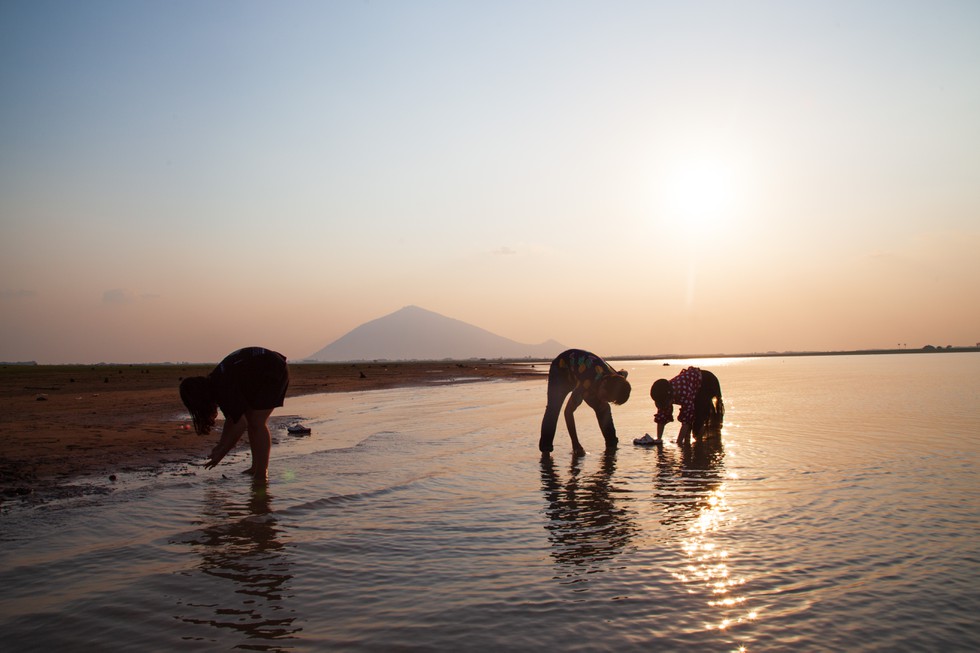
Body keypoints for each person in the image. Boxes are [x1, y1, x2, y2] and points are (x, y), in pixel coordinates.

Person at [179, 346, 289, 479]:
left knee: (256, 422)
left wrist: (222, 452)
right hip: (264, 369)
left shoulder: (222, 386)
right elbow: (233, 418)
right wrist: (220, 446)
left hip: (273, 370)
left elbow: (240, 425)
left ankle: (261, 473)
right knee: (252, 420)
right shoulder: (217, 383)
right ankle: (255, 468)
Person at [539, 349, 632, 455]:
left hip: (583, 374)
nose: (604, 399)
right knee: (553, 409)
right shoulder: (586, 384)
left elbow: (625, 372)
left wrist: (604, 402)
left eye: (609, 400)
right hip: (561, 370)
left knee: (603, 408)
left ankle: (611, 447)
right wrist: (575, 443)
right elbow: (568, 412)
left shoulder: (618, 378)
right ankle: (545, 451)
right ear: (604, 383)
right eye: (605, 396)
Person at [650, 367, 723, 445]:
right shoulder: (663, 394)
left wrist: (679, 442)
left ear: (670, 397)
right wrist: (659, 439)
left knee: (699, 416)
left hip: (707, 382)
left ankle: (699, 442)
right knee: (688, 422)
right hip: (693, 384)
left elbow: (686, 420)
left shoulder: (684, 393)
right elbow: (662, 417)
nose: (664, 406)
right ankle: (687, 440)